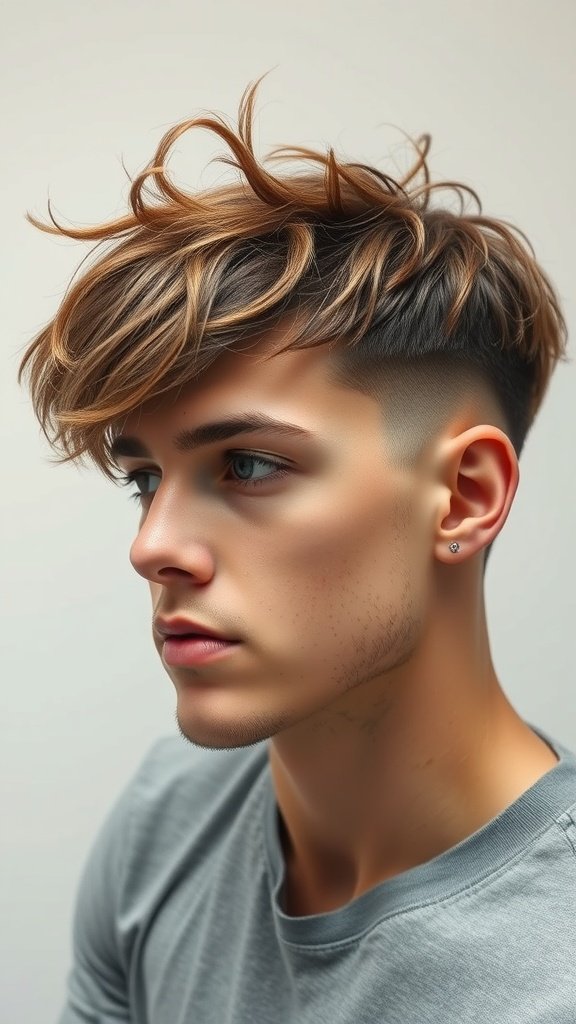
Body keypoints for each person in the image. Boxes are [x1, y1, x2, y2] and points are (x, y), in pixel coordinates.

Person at [19, 75, 576, 1023]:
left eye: (248, 466)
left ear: (464, 497)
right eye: (144, 478)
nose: (153, 547)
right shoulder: (168, 823)